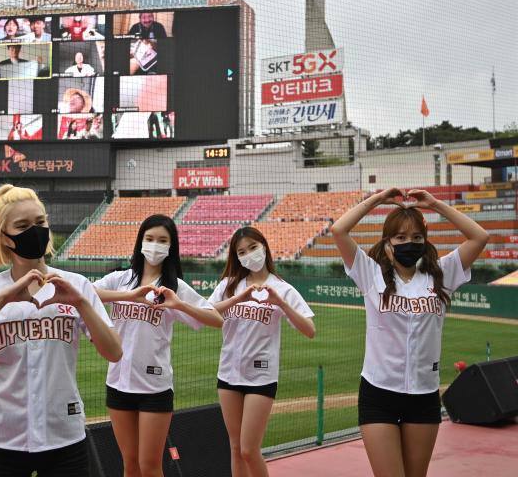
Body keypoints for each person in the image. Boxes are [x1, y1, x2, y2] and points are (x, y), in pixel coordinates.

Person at [0, 185, 122, 477]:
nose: (34, 231)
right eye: (22, 226)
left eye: (40, 223)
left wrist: (81, 303)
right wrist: (0, 300)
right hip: (3, 437)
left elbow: (114, 351)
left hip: (64, 435)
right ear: (3, 237)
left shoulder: (76, 285)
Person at [330, 188, 489, 477]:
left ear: (425, 241)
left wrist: (435, 204)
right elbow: (339, 230)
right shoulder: (370, 273)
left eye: (417, 237)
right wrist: (377, 200)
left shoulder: (442, 273)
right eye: (400, 237)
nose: (409, 243)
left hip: (423, 394)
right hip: (378, 393)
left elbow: (480, 237)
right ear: (388, 242)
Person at [93, 214, 223, 477]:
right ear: (140, 241)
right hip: (118, 381)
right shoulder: (121, 279)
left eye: (162, 240)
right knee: (129, 464)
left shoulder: (174, 287)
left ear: (171, 247)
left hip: (154, 386)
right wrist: (130, 295)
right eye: (150, 238)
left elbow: (216, 319)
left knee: (150, 465)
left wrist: (179, 304)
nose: (155, 245)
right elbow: (86, 292)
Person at [208, 227, 316, 477]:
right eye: (242, 252)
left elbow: (310, 329)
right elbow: (207, 313)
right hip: (228, 374)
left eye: (253, 248)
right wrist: (239, 297)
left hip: (261, 377)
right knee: (235, 448)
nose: (249, 255)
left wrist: (280, 304)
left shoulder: (282, 288)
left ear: (264, 247)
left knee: (249, 449)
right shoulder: (229, 285)